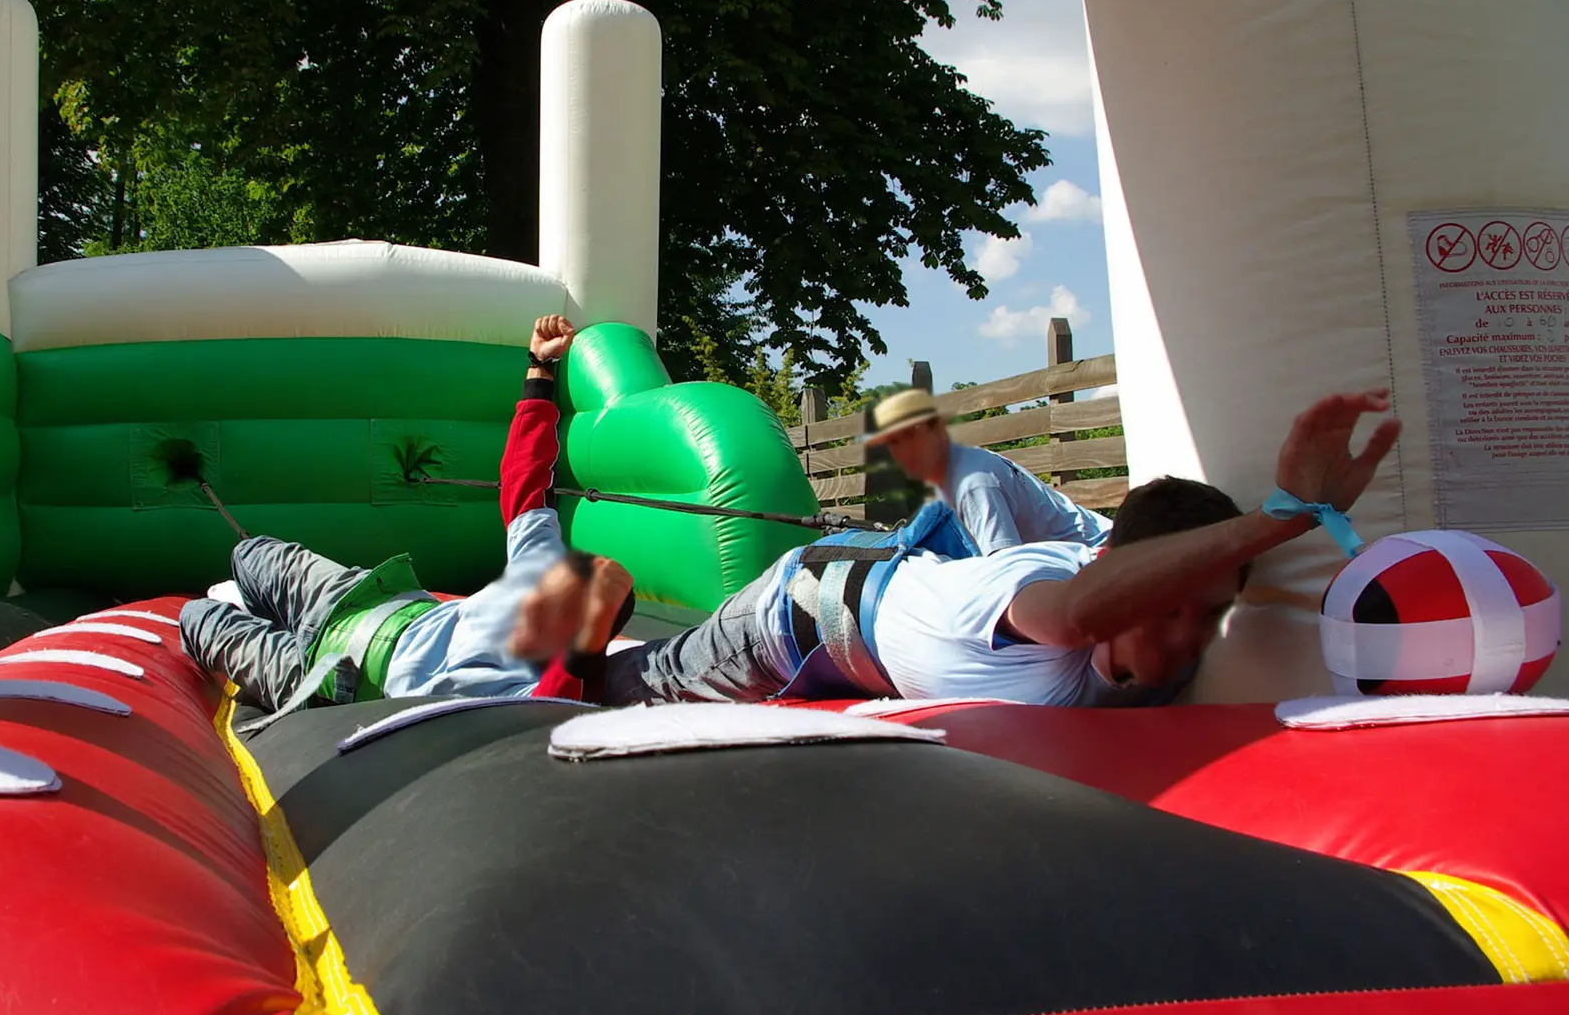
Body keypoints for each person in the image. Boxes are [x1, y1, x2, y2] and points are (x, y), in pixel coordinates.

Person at [590, 390, 1402, 708]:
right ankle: (573, 641)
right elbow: (1075, 614)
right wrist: (1289, 518)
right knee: (624, 689)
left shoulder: (1166, 673)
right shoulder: (1056, 593)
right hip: (804, 610)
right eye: (1169, 605)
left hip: (891, 600)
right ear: (1112, 570)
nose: (1189, 637)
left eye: (1211, 614)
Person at [179, 315, 636, 713]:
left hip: (333, 677)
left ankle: (258, 621)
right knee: (252, 553)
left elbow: (550, 703)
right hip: (360, 600)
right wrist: (540, 368)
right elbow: (524, 479)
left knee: (198, 619)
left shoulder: (526, 686)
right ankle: (264, 607)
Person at [864, 388, 1111, 555]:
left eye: (910, 437)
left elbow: (1007, 572)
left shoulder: (973, 484)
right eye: (892, 443)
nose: (901, 452)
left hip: (1098, 559)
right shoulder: (958, 469)